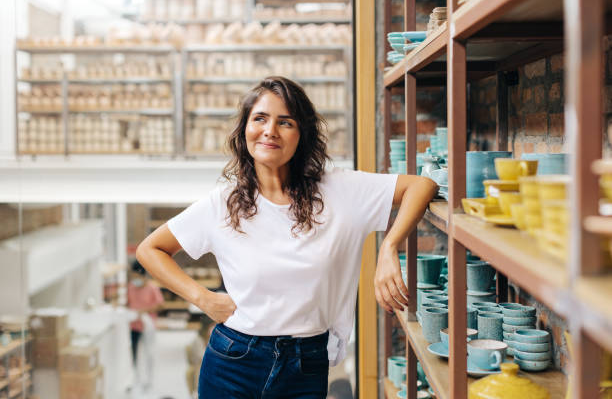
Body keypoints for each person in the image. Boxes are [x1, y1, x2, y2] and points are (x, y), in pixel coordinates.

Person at [135, 76, 437, 398]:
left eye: (285, 122)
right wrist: (203, 298)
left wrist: (389, 246)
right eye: (260, 119)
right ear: (245, 130)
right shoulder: (222, 203)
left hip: (305, 365)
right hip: (232, 360)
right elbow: (150, 249)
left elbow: (422, 186)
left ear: (301, 134)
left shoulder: (340, 189)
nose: (270, 131)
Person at [127, 259, 165, 391]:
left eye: (137, 277)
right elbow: (127, 303)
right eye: (133, 277)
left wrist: (144, 311)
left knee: (149, 353)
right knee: (134, 353)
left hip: (148, 326)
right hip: (134, 326)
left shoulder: (152, 288)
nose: (134, 279)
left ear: (143, 276)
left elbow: (160, 305)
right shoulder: (131, 287)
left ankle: (149, 380)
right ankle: (136, 378)